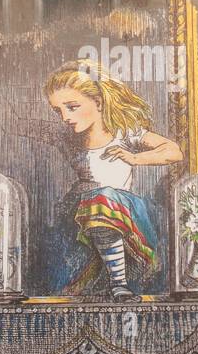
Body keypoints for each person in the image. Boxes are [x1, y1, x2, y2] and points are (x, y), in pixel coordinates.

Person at [44, 59, 183, 299]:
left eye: (72, 107)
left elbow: (174, 152)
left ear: (98, 102)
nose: (65, 116)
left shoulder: (124, 132)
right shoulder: (68, 138)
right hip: (81, 211)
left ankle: (119, 283)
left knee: (101, 197)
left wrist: (135, 159)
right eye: (59, 111)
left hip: (125, 211)